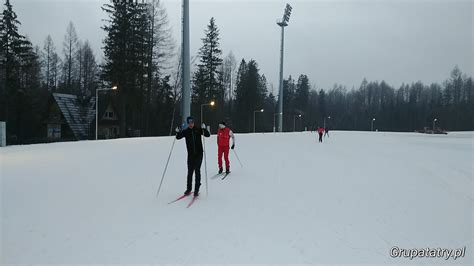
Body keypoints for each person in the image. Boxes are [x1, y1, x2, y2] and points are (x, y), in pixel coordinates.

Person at [175, 116, 210, 197]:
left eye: (192, 123)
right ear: (187, 123)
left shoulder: (198, 129)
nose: (191, 124)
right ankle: (189, 188)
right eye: (189, 123)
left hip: (199, 154)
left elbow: (208, 135)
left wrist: (204, 129)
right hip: (190, 155)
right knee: (190, 172)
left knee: (197, 170)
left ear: (194, 123)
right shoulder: (186, 131)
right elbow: (178, 137)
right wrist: (177, 131)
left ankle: (196, 189)